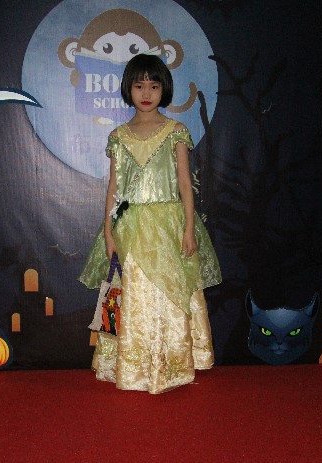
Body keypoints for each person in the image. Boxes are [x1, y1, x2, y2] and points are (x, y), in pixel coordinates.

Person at [78, 54, 221, 394]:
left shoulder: (176, 132)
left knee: (169, 291)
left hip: (169, 226)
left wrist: (189, 228)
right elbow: (114, 188)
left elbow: (185, 184)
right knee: (132, 293)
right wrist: (109, 232)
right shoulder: (118, 135)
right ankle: (133, 367)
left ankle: (170, 363)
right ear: (128, 89)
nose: (146, 93)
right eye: (139, 86)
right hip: (129, 226)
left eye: (154, 86)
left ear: (164, 90)